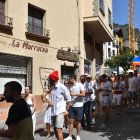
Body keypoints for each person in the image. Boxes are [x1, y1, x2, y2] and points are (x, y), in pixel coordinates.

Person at [48, 71, 71, 140]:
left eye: (50, 79)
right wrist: (49, 102)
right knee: (55, 128)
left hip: (60, 111)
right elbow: (49, 98)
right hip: (53, 111)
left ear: (54, 79)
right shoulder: (51, 88)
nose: (49, 81)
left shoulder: (62, 87)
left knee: (59, 129)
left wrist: (67, 109)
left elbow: (69, 99)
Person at [64, 75, 85, 140]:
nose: (69, 80)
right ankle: (70, 136)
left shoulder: (80, 85)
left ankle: (78, 135)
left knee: (78, 122)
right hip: (71, 106)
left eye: (70, 79)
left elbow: (83, 94)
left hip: (79, 106)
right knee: (70, 121)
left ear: (73, 79)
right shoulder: (70, 86)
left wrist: (75, 94)